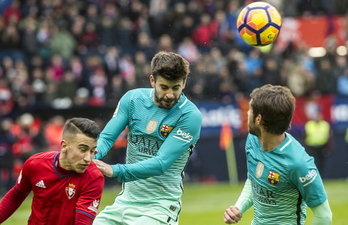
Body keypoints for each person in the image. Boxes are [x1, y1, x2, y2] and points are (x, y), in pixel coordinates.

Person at [92, 51, 202, 225]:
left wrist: (115, 171)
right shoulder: (133, 99)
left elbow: (161, 163)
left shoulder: (190, 115)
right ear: (152, 81)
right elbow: (106, 138)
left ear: (184, 83)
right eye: (164, 87)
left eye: (176, 87)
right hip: (124, 202)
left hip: (160, 207)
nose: (170, 95)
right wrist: (90, 156)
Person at [223, 85, 332, 225]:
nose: (247, 113)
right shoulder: (252, 140)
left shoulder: (298, 163)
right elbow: (254, 180)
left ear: (258, 119)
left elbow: (324, 216)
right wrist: (239, 207)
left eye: (250, 110)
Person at [0, 117, 105, 225]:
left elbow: (82, 222)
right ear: (64, 146)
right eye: (83, 150)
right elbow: (15, 196)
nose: (88, 158)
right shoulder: (35, 164)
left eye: (92, 151)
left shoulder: (93, 177)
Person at [304, 111, 331, 176]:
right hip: (311, 146)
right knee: (312, 162)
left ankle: (321, 177)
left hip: (322, 146)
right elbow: (304, 136)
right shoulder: (309, 124)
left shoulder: (325, 124)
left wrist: (328, 147)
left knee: (321, 163)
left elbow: (329, 136)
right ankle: (312, 176)